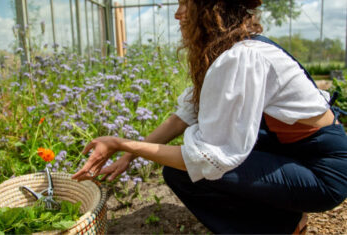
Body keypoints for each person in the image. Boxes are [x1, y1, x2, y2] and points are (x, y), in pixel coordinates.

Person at [72, 0, 347, 233]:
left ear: (208, 10)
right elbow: (184, 115)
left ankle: (283, 225)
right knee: (183, 172)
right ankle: (283, 215)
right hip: (294, 153)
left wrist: (123, 144)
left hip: (322, 173)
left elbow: (209, 158)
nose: (177, 14)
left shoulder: (243, 57)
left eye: (184, 4)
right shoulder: (229, 51)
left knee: (195, 171)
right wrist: (128, 157)